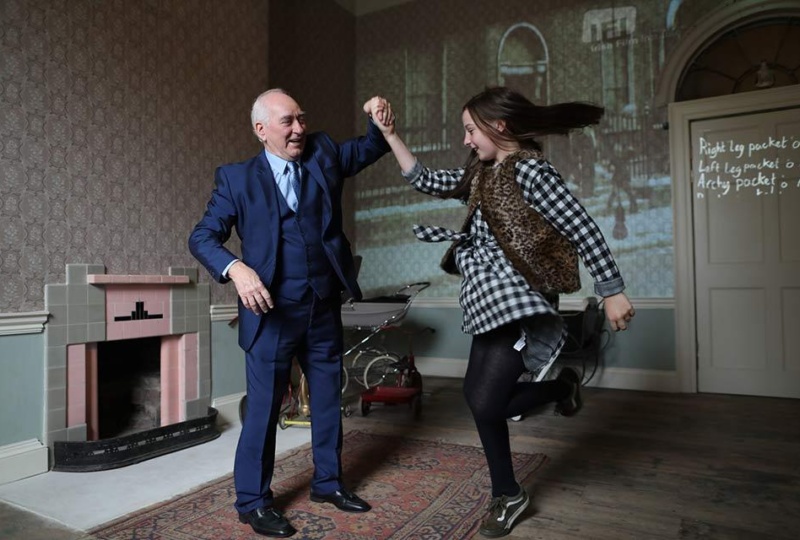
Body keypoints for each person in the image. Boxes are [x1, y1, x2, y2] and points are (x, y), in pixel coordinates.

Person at [369, 86, 635, 538]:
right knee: (481, 400)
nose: (468, 139)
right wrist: (390, 134)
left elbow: (582, 227)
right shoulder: (482, 172)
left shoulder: (532, 172)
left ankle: (508, 493)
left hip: (520, 299)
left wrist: (612, 290)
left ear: (500, 126)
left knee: (487, 401)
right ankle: (560, 388)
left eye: (472, 130)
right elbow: (429, 181)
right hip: (488, 298)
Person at [188, 89, 392, 538]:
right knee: (263, 410)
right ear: (261, 130)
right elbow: (201, 238)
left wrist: (378, 119)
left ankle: (328, 483)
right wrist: (236, 269)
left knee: (326, 401)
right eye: (287, 121)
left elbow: (372, 146)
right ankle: (253, 502)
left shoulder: (322, 153)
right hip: (270, 314)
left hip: (322, 305)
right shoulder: (236, 180)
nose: (299, 128)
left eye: (301, 118)